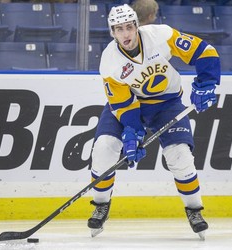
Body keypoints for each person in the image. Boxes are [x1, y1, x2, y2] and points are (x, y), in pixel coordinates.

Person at [87, 4, 220, 239]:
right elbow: (123, 104)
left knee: (179, 155)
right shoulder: (109, 61)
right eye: (119, 29)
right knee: (104, 149)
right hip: (131, 105)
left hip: (166, 104)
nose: (125, 34)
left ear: (137, 26)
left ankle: (194, 209)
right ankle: (101, 204)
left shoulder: (161, 36)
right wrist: (133, 132)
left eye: (129, 27)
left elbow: (204, 50)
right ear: (112, 32)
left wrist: (207, 83)